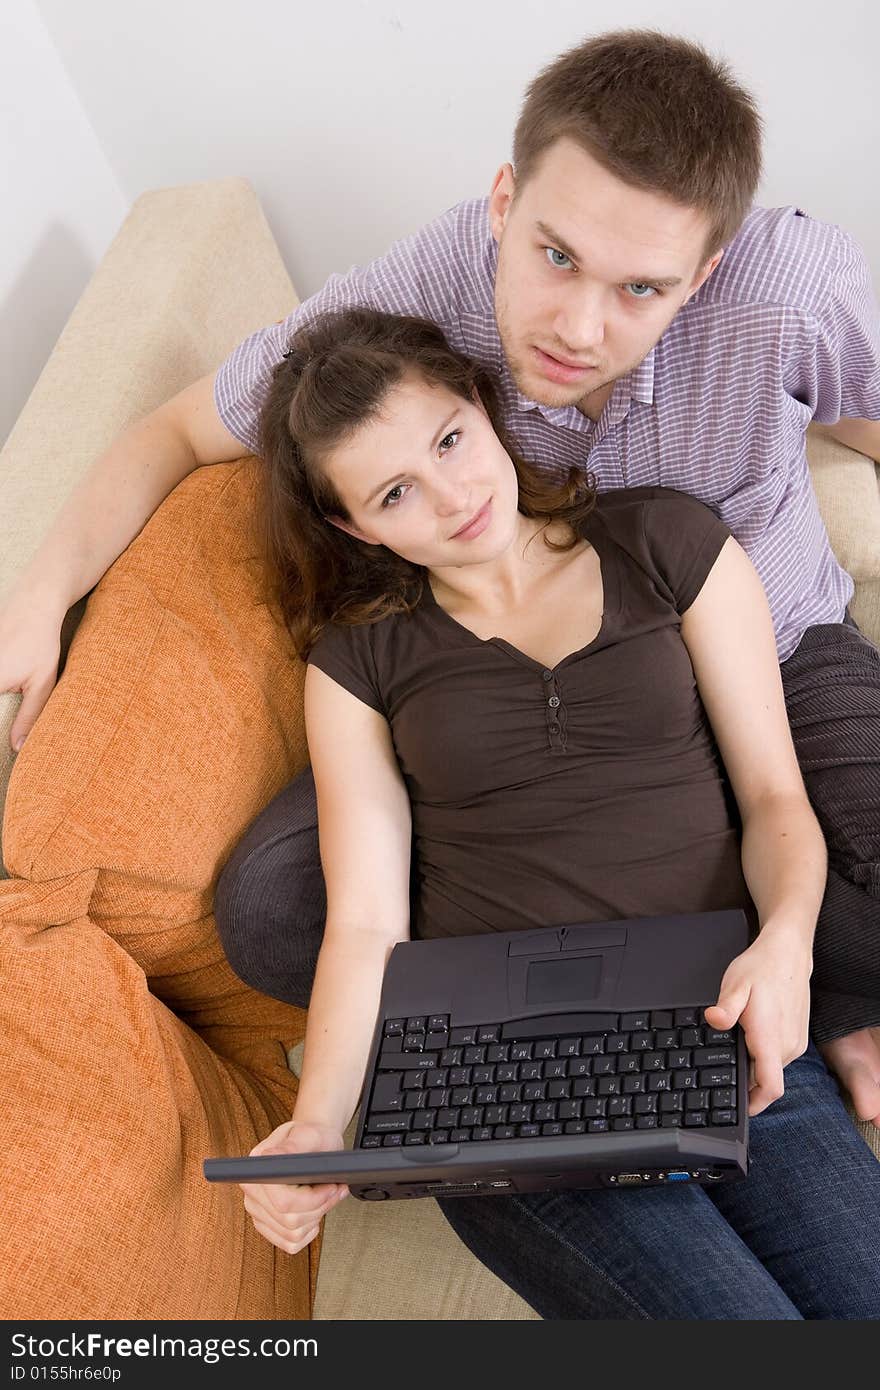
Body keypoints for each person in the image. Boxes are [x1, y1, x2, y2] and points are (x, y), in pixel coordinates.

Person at [1, 31, 878, 1118]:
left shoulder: (789, 290)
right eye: (555, 255)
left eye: (640, 288)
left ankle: (818, 999)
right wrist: (36, 600)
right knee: (270, 909)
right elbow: (177, 431)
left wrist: (813, 398)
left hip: (777, 641)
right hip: (516, 680)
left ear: (704, 274)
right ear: (504, 199)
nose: (577, 326)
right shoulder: (424, 289)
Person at [236, 304, 880, 1320]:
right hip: (495, 1089)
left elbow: (772, 798)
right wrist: (320, 1117)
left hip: (721, 1023)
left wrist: (787, 948)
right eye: (396, 492)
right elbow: (364, 923)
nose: (451, 497)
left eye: (449, 441)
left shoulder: (667, 540)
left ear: (485, 411)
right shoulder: (356, 662)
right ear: (355, 526)